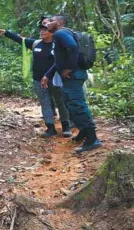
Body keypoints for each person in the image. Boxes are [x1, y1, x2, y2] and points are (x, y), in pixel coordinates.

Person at [0, 19, 72, 138]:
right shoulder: (36, 43)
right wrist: (7, 33)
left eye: (45, 30)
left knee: (60, 102)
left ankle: (66, 127)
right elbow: (20, 40)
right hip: (38, 80)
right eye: (41, 29)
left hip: (55, 79)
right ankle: (50, 127)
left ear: (52, 32)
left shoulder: (57, 45)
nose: (42, 32)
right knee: (45, 102)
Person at [41, 15, 102, 153]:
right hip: (72, 76)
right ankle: (83, 132)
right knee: (70, 104)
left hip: (73, 75)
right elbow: (59, 60)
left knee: (77, 104)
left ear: (60, 23)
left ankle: (92, 139)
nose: (48, 23)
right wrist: (48, 75)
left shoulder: (61, 33)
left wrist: (70, 67)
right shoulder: (61, 34)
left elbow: (73, 47)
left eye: (51, 21)